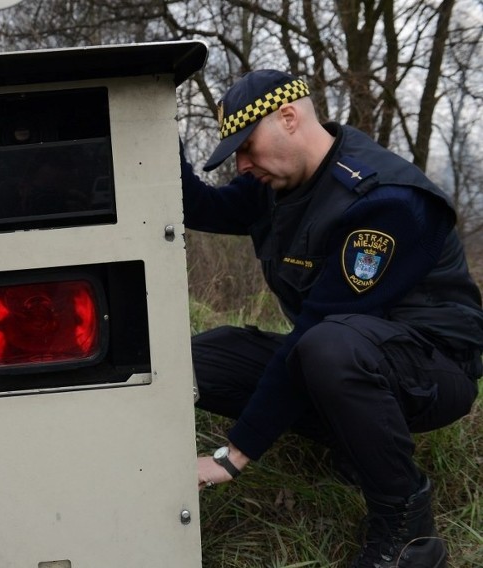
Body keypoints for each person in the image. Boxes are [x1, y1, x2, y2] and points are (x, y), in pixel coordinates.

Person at [181, 69, 483, 567]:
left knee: (326, 347)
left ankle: (407, 527)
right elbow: (202, 206)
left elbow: (316, 329)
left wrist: (232, 457)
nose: (242, 164)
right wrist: (153, 126)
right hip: (345, 349)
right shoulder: (276, 185)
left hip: (432, 369)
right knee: (201, 360)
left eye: (247, 146)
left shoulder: (384, 201)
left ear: (289, 117)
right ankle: (354, 442)